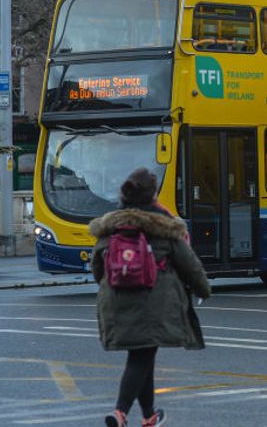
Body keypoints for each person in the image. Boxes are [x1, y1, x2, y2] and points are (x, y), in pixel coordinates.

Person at [91, 167, 211, 427]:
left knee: (143, 353)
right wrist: (204, 290)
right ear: (152, 195)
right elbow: (190, 265)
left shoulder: (110, 227)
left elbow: (97, 268)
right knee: (142, 356)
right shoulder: (164, 226)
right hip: (154, 303)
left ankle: (149, 416)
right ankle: (120, 413)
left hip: (115, 300)